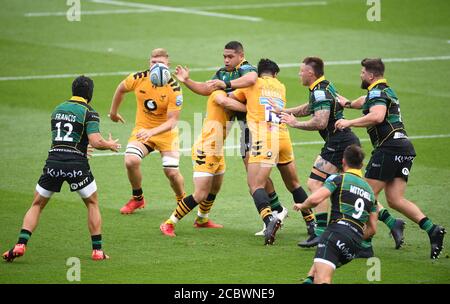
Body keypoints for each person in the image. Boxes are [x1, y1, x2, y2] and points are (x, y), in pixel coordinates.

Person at [160, 41, 287, 236]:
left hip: (225, 141)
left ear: (240, 55)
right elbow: (210, 91)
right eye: (224, 57)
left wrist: (227, 87)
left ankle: (202, 219)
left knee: (219, 184)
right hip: (209, 145)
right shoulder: (219, 87)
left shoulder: (246, 70)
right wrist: (187, 81)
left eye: (230, 57)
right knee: (203, 192)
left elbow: (252, 79)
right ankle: (169, 222)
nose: (226, 60)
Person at [335, 58, 446, 259]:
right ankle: (432, 229)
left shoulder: (377, 93)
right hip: (404, 146)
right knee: (395, 199)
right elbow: (365, 100)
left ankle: (365, 244)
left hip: (389, 148)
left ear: (370, 75)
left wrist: (348, 121)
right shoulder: (385, 91)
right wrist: (349, 103)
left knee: (364, 194)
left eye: (362, 72)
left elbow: (377, 116)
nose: (360, 75)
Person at [3, 76, 121, 262]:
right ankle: (97, 251)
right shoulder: (89, 112)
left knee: (37, 204)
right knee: (92, 203)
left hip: (54, 163)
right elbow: (96, 141)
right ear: (90, 93)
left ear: (73, 90)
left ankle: (21, 243)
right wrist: (110, 144)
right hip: (77, 165)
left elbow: (65, 138)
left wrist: (83, 146)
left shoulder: (58, 109)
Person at [215, 58, 313, 245]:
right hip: (283, 137)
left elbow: (228, 101)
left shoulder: (252, 84)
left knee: (255, 185)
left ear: (258, 73)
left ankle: (270, 219)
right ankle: (312, 224)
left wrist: (229, 99)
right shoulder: (280, 86)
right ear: (275, 74)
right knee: (294, 184)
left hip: (264, 139)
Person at [276, 57, 368, 248]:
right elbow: (310, 108)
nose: (299, 74)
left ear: (311, 73)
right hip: (345, 140)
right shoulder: (325, 86)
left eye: (301, 71)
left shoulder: (319, 92)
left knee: (315, 182)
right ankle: (392, 222)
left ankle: (319, 233)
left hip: (338, 142)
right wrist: (285, 111)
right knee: (353, 188)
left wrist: (295, 123)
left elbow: (320, 122)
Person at [109, 48, 185, 214]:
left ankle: (182, 201)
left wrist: (152, 132)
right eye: (154, 63)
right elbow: (121, 88)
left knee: (171, 172)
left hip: (166, 134)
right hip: (143, 130)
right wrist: (113, 112)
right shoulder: (138, 78)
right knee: (131, 161)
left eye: (161, 64)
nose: (157, 67)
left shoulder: (174, 88)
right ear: (149, 63)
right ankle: (138, 199)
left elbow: (172, 121)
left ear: (168, 65)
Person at [294, 145, 377, 284]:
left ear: (343, 161)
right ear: (361, 165)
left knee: (323, 279)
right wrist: (352, 235)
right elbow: (373, 228)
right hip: (354, 245)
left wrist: (303, 205)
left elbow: (315, 199)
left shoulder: (339, 179)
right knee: (316, 269)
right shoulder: (371, 192)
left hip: (336, 233)